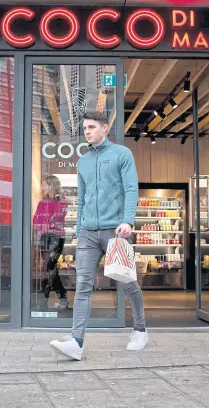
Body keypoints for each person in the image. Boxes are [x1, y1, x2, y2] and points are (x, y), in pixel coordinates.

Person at [50, 111, 147, 361]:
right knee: (82, 284)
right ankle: (77, 342)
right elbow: (82, 200)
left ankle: (140, 329)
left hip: (116, 231)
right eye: (85, 128)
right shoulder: (82, 162)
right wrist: (80, 229)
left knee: (126, 282)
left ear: (105, 128)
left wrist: (128, 221)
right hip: (89, 234)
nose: (87, 131)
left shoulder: (121, 155)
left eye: (92, 127)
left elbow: (130, 189)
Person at [32, 175, 69, 310]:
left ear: (51, 185)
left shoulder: (61, 200)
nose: (42, 188)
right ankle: (62, 298)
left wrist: (48, 223)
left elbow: (58, 217)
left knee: (49, 268)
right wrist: (46, 225)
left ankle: (43, 300)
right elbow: (36, 220)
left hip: (55, 238)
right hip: (44, 237)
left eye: (44, 185)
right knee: (50, 269)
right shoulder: (43, 201)